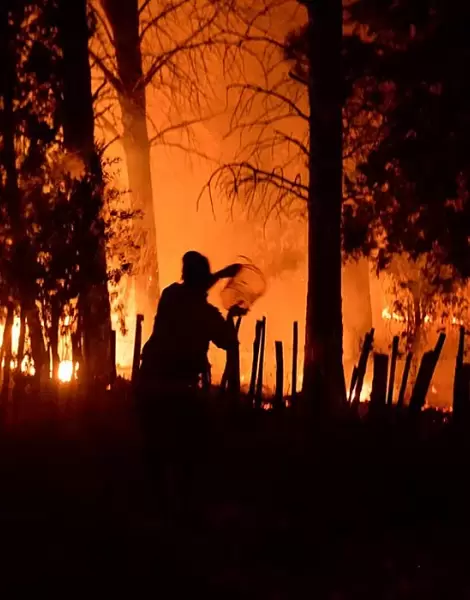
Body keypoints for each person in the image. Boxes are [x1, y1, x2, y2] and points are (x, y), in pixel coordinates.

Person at [139, 251, 245, 392]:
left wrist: (220, 275)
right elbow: (228, 341)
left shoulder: (170, 295)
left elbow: (192, 290)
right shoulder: (206, 314)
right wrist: (231, 315)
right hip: (181, 389)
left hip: (150, 378)